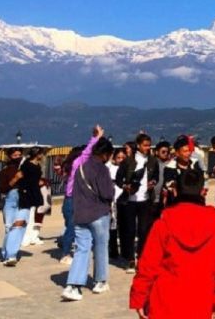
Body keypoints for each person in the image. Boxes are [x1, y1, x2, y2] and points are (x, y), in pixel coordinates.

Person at [130, 169, 215, 319]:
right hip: (200, 301)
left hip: (164, 302)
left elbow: (148, 266)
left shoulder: (163, 223)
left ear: (175, 191)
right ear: (203, 191)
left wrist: (139, 298)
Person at [61, 138, 116, 301]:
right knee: (100, 247)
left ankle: (73, 285)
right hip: (98, 213)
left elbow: (74, 192)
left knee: (81, 249)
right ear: (106, 154)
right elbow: (107, 193)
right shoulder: (102, 169)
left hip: (81, 214)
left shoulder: (81, 168)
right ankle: (100, 281)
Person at [116, 133, 161, 273]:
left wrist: (152, 183)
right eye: (145, 145)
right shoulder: (128, 161)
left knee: (144, 230)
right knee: (129, 230)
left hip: (145, 199)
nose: (147, 148)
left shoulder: (153, 161)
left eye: (149, 145)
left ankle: (141, 257)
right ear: (139, 145)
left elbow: (156, 177)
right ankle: (130, 259)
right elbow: (118, 179)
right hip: (130, 200)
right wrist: (125, 186)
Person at [60, 126, 103, 263]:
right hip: (74, 200)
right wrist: (96, 138)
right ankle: (65, 254)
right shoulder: (78, 165)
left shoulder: (76, 168)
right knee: (72, 227)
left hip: (70, 200)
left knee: (74, 227)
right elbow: (86, 154)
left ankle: (71, 247)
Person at [0, 146, 25, 266]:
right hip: (10, 199)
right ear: (9, 156)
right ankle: (7, 254)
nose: (18, 157)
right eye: (15, 155)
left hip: (22, 198)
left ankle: (12, 254)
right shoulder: (4, 172)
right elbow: (3, 189)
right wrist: (15, 179)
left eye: (19, 155)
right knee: (9, 227)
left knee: (18, 226)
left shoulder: (24, 169)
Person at [161, 135, 205, 206]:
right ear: (177, 153)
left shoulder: (195, 164)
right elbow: (168, 186)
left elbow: (201, 180)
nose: (188, 154)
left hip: (195, 202)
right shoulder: (169, 168)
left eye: (189, 151)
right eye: (185, 151)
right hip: (177, 204)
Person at [107, 146, 126, 261]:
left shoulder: (129, 169)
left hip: (125, 200)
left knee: (124, 226)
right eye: (118, 157)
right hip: (114, 200)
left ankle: (125, 251)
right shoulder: (110, 168)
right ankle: (113, 250)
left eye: (123, 157)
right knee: (113, 226)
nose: (121, 160)